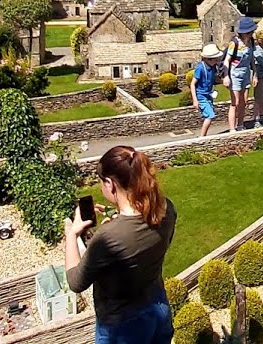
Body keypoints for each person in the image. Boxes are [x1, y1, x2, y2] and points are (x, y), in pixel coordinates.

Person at [65, 145, 176, 344]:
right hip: (158, 307)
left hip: (123, 327)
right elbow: (141, 237)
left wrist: (72, 234)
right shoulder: (166, 209)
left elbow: (75, 281)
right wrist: (116, 220)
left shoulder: (109, 237)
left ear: (110, 184)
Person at [223, 17, 256, 132]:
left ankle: (240, 125)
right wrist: (226, 76)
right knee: (235, 103)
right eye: (251, 31)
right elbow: (227, 60)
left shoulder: (251, 42)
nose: (252, 33)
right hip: (235, 74)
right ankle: (232, 129)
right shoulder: (234, 43)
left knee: (244, 102)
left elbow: (252, 60)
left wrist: (254, 74)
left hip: (246, 73)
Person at [190, 44, 221, 137]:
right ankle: (202, 137)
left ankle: (203, 136)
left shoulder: (212, 67)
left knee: (210, 115)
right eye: (215, 59)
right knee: (210, 115)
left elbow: (215, 79)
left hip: (208, 95)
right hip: (201, 96)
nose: (217, 61)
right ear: (208, 59)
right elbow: (192, 84)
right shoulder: (200, 68)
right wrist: (195, 100)